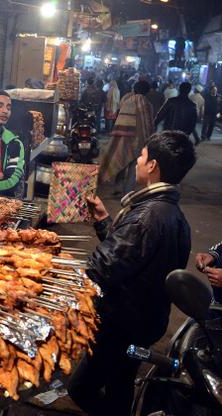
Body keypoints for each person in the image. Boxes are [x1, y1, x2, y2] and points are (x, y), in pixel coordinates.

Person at [68, 130, 196, 416]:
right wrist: (103, 221)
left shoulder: (146, 216)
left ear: (152, 166)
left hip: (122, 326)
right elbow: (133, 255)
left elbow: (103, 268)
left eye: (142, 155)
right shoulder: (173, 214)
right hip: (147, 323)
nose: (138, 160)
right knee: (121, 383)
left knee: (80, 388)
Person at [99, 81, 154, 195]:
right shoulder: (147, 103)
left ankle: (117, 187)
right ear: (147, 91)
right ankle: (128, 191)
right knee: (134, 166)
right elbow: (148, 124)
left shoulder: (128, 100)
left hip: (123, 137)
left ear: (135, 89)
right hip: (139, 139)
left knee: (121, 161)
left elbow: (120, 117)